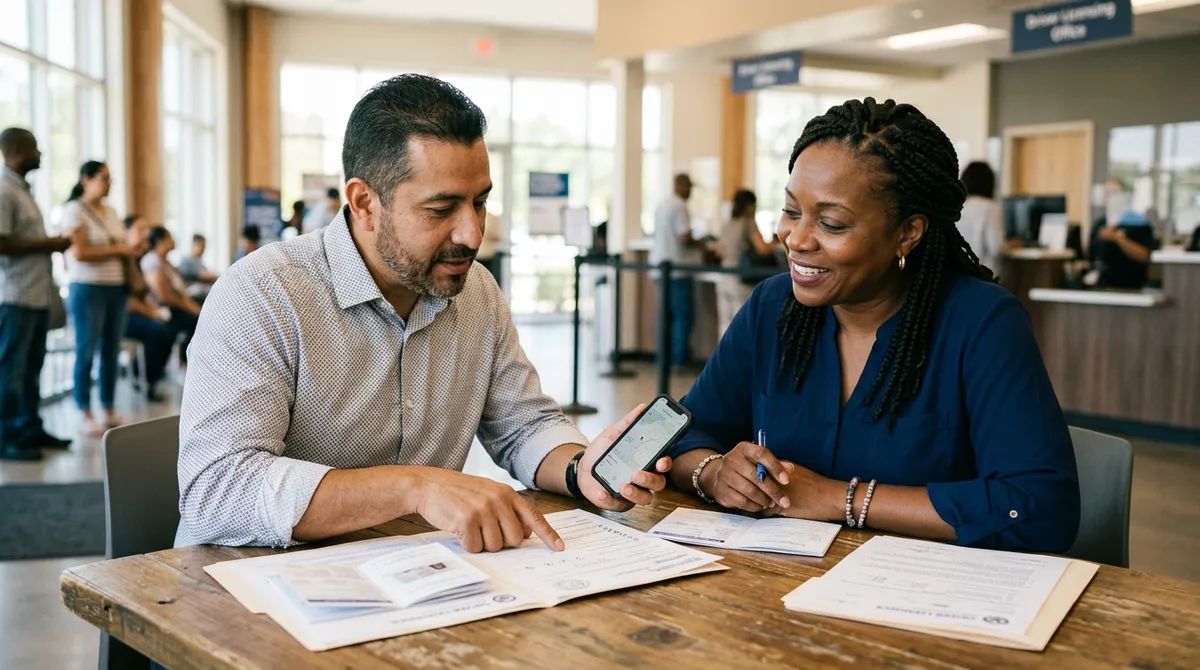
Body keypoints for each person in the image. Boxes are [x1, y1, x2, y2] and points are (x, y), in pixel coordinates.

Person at [176, 74, 672, 550]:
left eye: (480, 203)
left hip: (416, 577)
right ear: (364, 202)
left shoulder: (476, 291)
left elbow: (523, 425)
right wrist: (414, 488)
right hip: (254, 590)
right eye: (441, 210)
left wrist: (578, 467)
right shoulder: (262, 294)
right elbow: (219, 492)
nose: (472, 235)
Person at [668, 98, 1080, 553]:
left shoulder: (981, 323)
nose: (797, 239)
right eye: (790, 211)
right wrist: (714, 472)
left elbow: (1039, 506)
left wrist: (840, 498)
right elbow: (685, 433)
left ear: (908, 232)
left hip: (925, 598)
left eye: (831, 223)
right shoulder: (773, 306)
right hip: (775, 591)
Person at [0, 128, 73, 460]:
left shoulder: (23, 192)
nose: (40, 154)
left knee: (31, 368)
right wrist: (51, 244)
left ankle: (30, 428)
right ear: (16, 150)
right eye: (34, 148)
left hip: (35, 295)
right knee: (12, 369)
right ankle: (9, 436)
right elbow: (2, 243)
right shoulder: (4, 191)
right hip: (15, 297)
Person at [61, 160, 133, 436]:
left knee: (111, 351)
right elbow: (78, 253)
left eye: (111, 177)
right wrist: (116, 249)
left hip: (116, 287)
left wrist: (119, 249)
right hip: (87, 287)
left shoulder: (111, 212)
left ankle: (108, 408)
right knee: (86, 349)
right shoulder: (74, 211)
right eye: (104, 177)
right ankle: (84, 410)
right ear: (86, 179)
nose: (109, 183)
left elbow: (124, 247)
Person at [651, 173, 702, 367]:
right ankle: (680, 359)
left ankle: (663, 358)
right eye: (689, 186)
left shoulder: (662, 205)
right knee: (682, 316)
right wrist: (703, 245)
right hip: (677, 270)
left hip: (659, 268)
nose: (690, 191)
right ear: (681, 186)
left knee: (665, 316)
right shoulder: (680, 206)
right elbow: (684, 237)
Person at [121, 215, 173, 402]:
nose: (146, 234)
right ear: (125, 232)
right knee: (158, 332)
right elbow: (127, 300)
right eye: (140, 229)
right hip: (122, 316)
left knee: (166, 328)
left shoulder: (138, 258)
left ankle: (152, 375)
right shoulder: (124, 259)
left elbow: (143, 294)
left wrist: (155, 312)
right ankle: (144, 378)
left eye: (147, 229)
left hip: (137, 311)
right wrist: (151, 313)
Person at [717, 189, 775, 338]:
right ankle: (742, 360)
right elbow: (762, 248)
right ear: (749, 205)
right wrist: (776, 241)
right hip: (740, 279)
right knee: (742, 322)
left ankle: (724, 359)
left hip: (723, 277)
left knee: (725, 322)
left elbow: (719, 250)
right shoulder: (748, 223)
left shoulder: (728, 224)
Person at [141, 226, 201, 367]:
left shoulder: (165, 262)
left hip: (176, 307)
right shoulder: (152, 261)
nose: (173, 240)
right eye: (170, 237)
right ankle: (187, 363)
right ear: (160, 241)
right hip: (165, 310)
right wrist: (191, 308)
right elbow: (165, 297)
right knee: (197, 322)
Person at [957, 162, 1007, 272]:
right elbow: (996, 248)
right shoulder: (990, 207)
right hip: (984, 274)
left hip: (958, 273)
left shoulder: (957, 206)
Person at [1088, 212, 1156, 289]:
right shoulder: (1101, 224)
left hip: (1133, 286)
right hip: (1104, 285)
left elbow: (1144, 255)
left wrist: (1116, 237)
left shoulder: (1140, 225)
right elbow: (1092, 256)